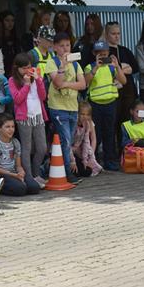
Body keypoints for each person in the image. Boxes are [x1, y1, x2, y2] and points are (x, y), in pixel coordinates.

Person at [47, 32, 87, 180]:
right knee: (65, 139)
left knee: (68, 140)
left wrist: (66, 85)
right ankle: (67, 172)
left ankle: (60, 168)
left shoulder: (76, 64)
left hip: (72, 107)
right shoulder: (52, 63)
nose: (65, 48)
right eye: (62, 46)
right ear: (55, 47)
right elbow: (57, 82)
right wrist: (63, 67)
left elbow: (83, 84)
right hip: (58, 107)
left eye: (68, 45)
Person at [84, 40, 126, 171]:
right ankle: (94, 159)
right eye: (99, 53)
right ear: (94, 54)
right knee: (95, 133)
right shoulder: (90, 67)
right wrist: (96, 67)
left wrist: (117, 66)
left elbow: (123, 81)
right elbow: (85, 83)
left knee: (109, 132)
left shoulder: (112, 67)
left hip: (110, 104)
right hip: (95, 105)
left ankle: (110, 160)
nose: (102, 55)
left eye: (105, 53)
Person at [8, 53, 48, 187]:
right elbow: (17, 99)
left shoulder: (36, 77)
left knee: (42, 148)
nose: (27, 70)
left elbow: (43, 96)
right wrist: (26, 84)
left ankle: (36, 174)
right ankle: (29, 177)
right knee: (27, 148)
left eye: (29, 67)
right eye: (24, 68)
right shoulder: (12, 80)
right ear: (17, 68)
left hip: (38, 116)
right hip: (24, 118)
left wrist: (38, 80)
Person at [0, 113, 41, 196]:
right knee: (20, 189)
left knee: (34, 187)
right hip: (0, 174)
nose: (11, 129)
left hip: (14, 172)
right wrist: (14, 175)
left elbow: (18, 165)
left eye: (13, 127)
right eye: (7, 127)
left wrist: (21, 171)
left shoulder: (15, 142)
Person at [73, 102, 102, 177]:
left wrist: (88, 156)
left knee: (88, 171)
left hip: (84, 150)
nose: (85, 117)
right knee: (76, 172)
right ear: (78, 113)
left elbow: (91, 140)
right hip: (73, 151)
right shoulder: (73, 124)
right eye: (82, 114)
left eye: (87, 114)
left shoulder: (89, 124)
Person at [0, 11, 22, 77]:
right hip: (1, 71)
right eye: (7, 20)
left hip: (15, 72)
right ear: (2, 21)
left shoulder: (16, 39)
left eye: (12, 21)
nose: (10, 23)